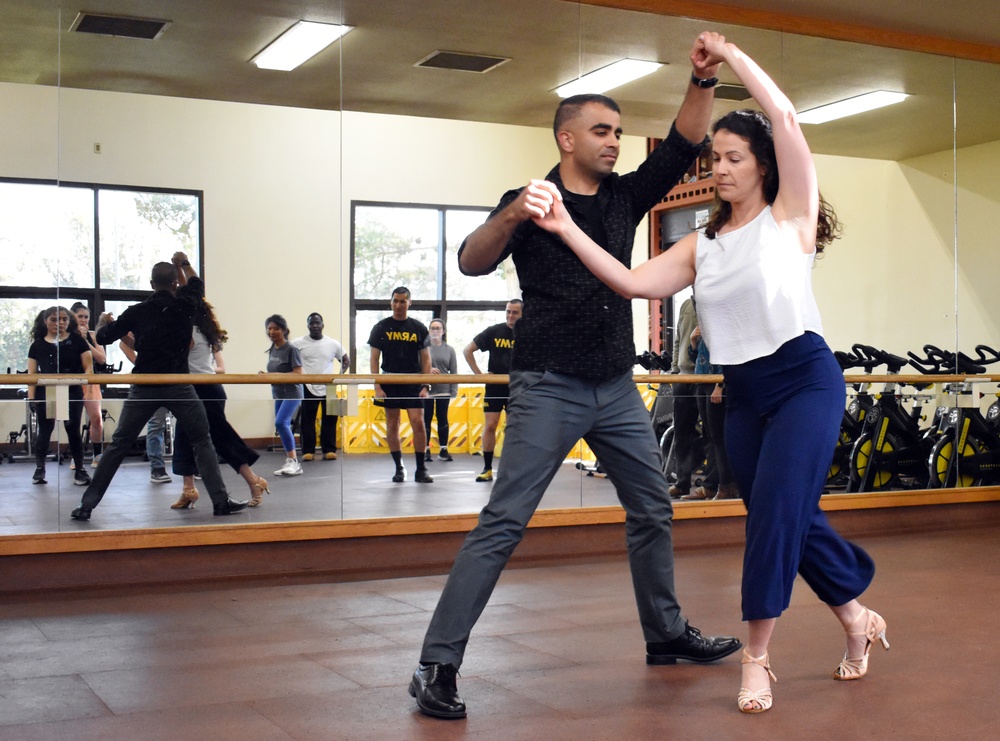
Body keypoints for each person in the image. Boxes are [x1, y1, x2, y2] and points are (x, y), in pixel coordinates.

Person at [533, 33, 886, 715]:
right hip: (745, 395)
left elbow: (784, 118)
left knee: (772, 521)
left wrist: (729, 59)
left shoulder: (791, 218)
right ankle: (856, 618)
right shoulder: (703, 245)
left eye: (732, 158)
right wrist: (566, 228)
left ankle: (757, 660)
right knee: (788, 516)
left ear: (762, 166)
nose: (719, 169)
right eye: (713, 158)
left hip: (806, 380)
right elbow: (631, 282)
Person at [409, 34, 740, 721]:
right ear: (566, 138)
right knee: (504, 521)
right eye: (601, 130)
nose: (615, 140)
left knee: (652, 506)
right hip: (547, 384)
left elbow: (681, 144)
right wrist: (512, 212)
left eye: (618, 131)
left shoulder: (623, 198)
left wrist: (702, 78)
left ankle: (666, 633)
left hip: (616, 386)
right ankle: (436, 663)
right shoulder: (530, 202)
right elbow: (472, 261)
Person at [70, 253, 248, 520]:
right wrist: (183, 263)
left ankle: (87, 505)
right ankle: (221, 502)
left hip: (145, 385)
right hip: (179, 384)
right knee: (202, 441)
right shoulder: (186, 305)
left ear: (151, 284)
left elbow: (104, 337)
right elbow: (197, 284)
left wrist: (102, 323)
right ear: (175, 283)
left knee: (119, 444)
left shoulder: (137, 311)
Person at [170, 295, 270, 510]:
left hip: (203, 389)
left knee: (220, 438)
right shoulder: (203, 331)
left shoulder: (188, 332)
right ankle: (188, 489)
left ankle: (254, 481)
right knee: (183, 436)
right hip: (200, 388)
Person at [368, 286, 433, 484]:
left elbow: (427, 360)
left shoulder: (418, 328)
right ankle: (399, 467)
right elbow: (373, 359)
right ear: (391, 302)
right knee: (392, 424)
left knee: (418, 423)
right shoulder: (381, 327)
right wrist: (377, 386)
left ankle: (421, 468)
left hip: (413, 381)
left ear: (409, 303)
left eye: (402, 301)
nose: (398, 305)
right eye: (395, 301)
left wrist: (425, 385)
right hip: (390, 381)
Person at [26, 306, 93, 486]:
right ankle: (40, 468)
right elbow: (31, 374)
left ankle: (80, 469)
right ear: (46, 321)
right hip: (48, 391)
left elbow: (88, 367)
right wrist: (32, 398)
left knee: (73, 431)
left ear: (69, 321)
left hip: (71, 391)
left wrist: (86, 391)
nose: (60, 323)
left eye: (64, 319)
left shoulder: (78, 341)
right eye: (55, 319)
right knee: (45, 431)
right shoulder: (38, 345)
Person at [463, 299, 522, 482]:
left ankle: (512, 470)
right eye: (508, 312)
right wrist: (480, 375)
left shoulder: (528, 334)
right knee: (490, 425)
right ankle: (487, 468)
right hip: (495, 386)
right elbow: (467, 351)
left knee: (514, 429)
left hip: (518, 387)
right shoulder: (494, 331)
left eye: (515, 312)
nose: (510, 316)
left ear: (522, 315)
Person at [680, 323, 738, 500]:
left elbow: (727, 356)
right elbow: (695, 357)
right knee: (708, 437)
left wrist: (720, 385)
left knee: (718, 438)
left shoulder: (722, 324)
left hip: (716, 383)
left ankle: (726, 486)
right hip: (702, 380)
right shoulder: (704, 323)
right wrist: (693, 341)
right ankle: (711, 485)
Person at [291, 312, 350, 462]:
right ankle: (308, 451)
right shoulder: (298, 343)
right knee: (307, 420)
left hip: (329, 386)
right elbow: (289, 358)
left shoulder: (333, 343)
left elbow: (346, 360)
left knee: (331, 419)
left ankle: (329, 450)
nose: (315, 326)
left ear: (323, 325)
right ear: (308, 325)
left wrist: (339, 376)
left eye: (317, 323)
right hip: (308, 386)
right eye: (312, 323)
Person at [119, 334, 172, 484]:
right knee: (156, 424)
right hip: (151, 381)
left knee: (187, 424)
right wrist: (143, 363)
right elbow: (123, 344)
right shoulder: (143, 323)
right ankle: (157, 468)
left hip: (172, 379)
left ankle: (192, 467)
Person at [263, 314, 304, 477]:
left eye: (276, 329)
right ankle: (290, 460)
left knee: (281, 422)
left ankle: (294, 461)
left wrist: (272, 376)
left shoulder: (291, 349)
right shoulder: (273, 348)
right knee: (281, 425)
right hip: (278, 392)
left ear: (284, 330)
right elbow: (275, 370)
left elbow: (298, 373)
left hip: (292, 392)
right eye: (269, 328)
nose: (272, 332)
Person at [668, 295, 699, 498]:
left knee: (712, 436)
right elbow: (678, 339)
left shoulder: (713, 302)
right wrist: (673, 370)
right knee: (681, 433)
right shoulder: (686, 305)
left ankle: (715, 485)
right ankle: (682, 483)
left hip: (705, 375)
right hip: (683, 376)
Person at [70, 302, 105, 468]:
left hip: (92, 380)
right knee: (72, 420)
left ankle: (97, 452)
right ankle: (75, 454)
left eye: (86, 317)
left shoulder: (93, 335)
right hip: (74, 380)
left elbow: (101, 359)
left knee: (96, 418)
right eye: (80, 317)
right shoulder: (67, 336)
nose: (83, 320)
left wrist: (86, 341)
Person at [423, 318, 457, 462]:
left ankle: (443, 449)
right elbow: (417, 367)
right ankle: (425, 449)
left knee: (442, 418)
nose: (435, 331)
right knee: (426, 419)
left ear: (443, 331)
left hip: (444, 390)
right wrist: (428, 370)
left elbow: (454, 371)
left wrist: (454, 390)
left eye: (438, 328)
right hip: (426, 390)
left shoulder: (449, 350)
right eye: (432, 328)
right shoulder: (424, 349)